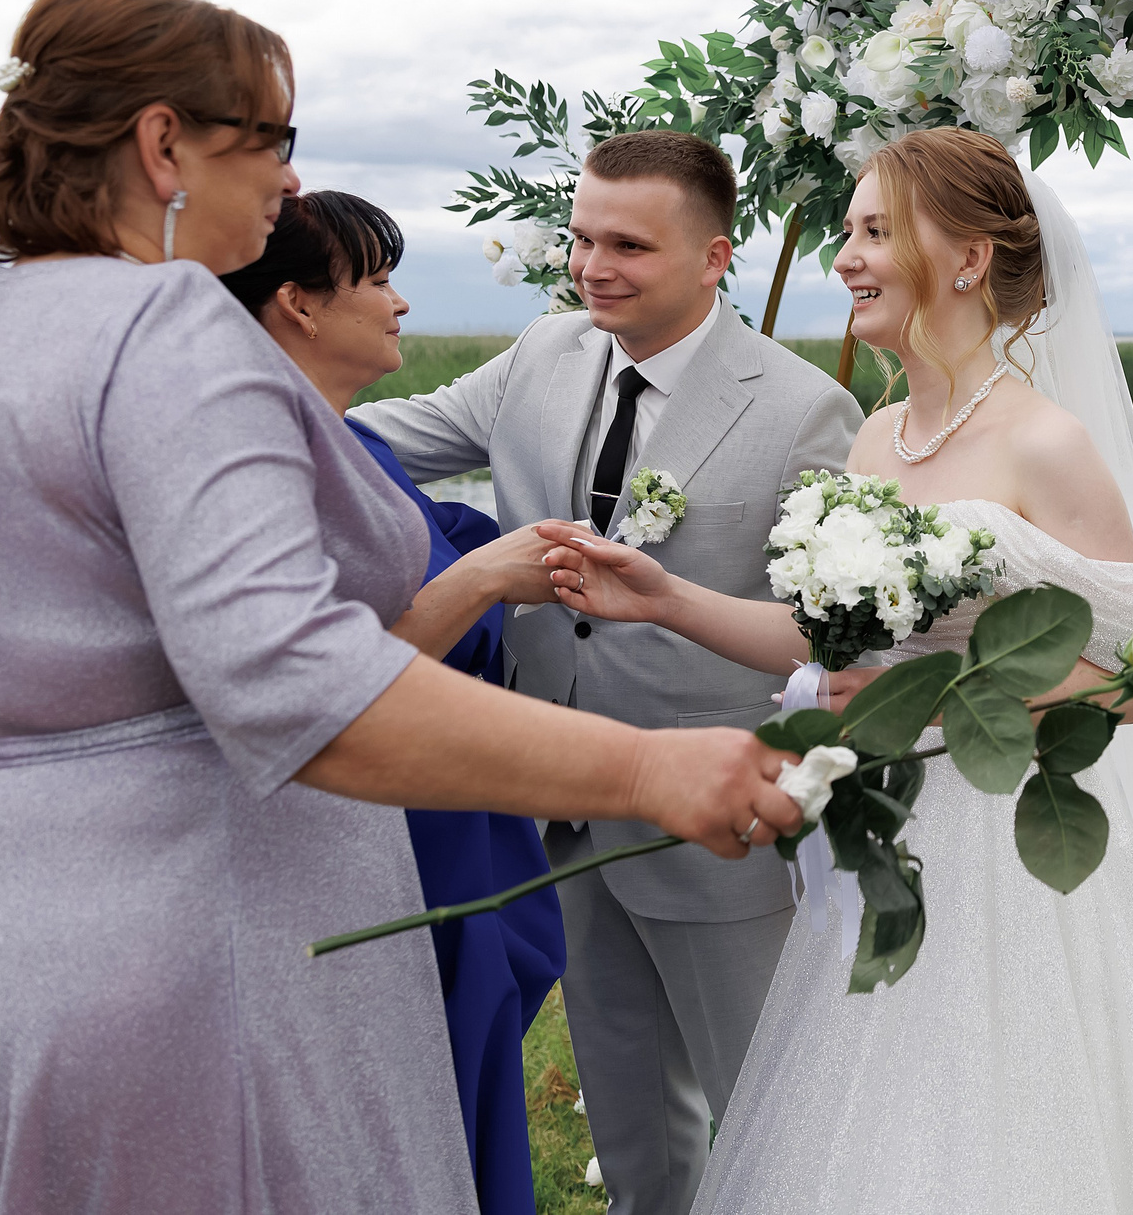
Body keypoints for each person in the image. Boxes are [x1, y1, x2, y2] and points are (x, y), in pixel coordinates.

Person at [0, 0, 802, 1215]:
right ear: (164, 144)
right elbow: (295, 681)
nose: (287, 185)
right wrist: (645, 773)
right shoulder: (166, 326)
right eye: (272, 140)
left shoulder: (9, 309)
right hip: (186, 945)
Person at [535, 127, 1133, 1214]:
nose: (845, 258)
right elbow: (830, 644)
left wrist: (927, 701)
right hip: (887, 838)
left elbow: (1131, 678)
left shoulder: (1046, 445)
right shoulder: (876, 435)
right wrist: (661, 598)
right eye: (846, 233)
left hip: (1017, 848)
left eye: (874, 232)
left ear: (966, 259)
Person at [349, 129, 864, 1215]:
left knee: (769, 1117)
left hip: (721, 827)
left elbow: (829, 634)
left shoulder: (803, 409)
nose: (592, 267)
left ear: (716, 257)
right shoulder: (545, 351)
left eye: (627, 245)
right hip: (565, 813)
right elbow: (378, 438)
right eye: (582, 239)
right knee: (635, 1137)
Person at [218, 189, 566, 1215]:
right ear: (300, 306)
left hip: (446, 806)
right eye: (375, 280)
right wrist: (483, 575)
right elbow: (325, 668)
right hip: (377, 822)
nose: (401, 302)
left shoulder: (355, 444)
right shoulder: (270, 457)